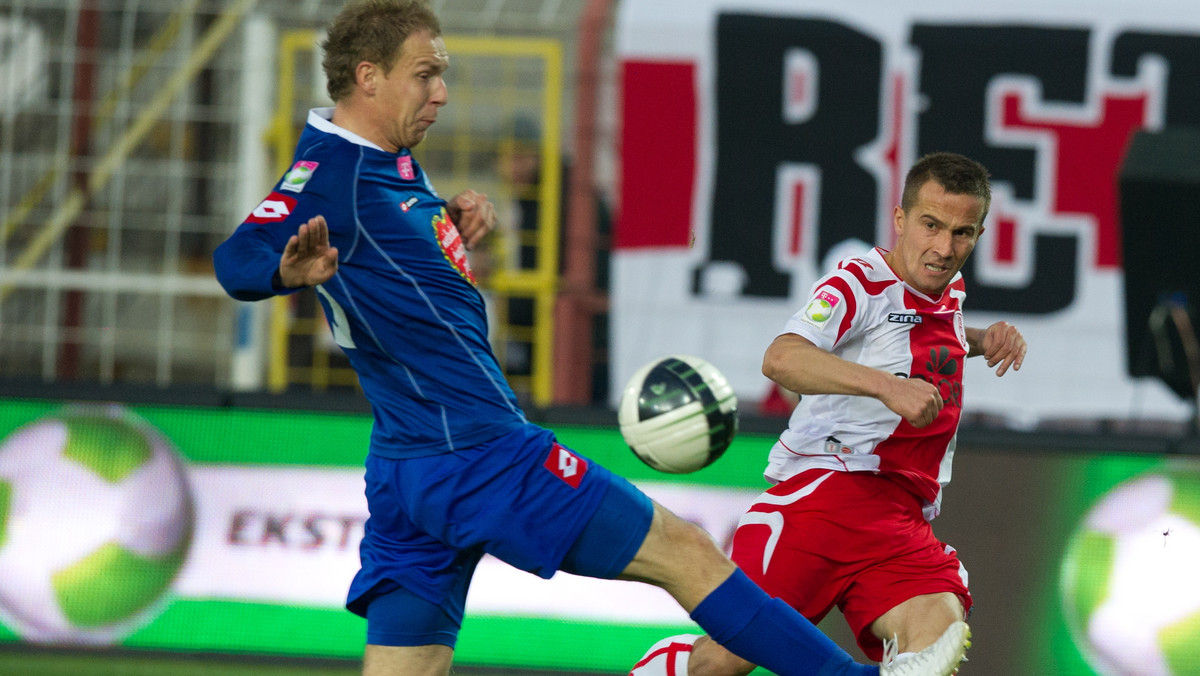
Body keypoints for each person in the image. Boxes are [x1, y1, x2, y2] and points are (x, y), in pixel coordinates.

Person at [211, 2, 969, 675]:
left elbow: (391, 258)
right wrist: (283, 270)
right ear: (368, 77)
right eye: (425, 74)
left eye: (441, 73)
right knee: (686, 552)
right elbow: (238, 258)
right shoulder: (330, 172)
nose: (441, 91)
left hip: (408, 464)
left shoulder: (387, 166)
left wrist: (449, 221)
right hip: (479, 452)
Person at [632, 153, 1026, 675]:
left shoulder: (945, 289)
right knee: (722, 663)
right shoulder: (858, 283)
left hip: (898, 520)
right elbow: (782, 357)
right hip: (825, 499)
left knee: (938, 639)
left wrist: (979, 340)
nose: (944, 248)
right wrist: (888, 388)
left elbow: (920, 334)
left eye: (962, 233)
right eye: (931, 225)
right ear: (901, 220)